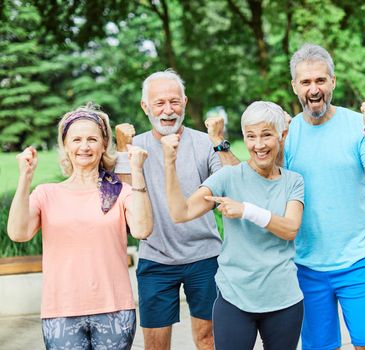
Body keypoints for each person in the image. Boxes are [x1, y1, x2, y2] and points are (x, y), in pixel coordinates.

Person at [7, 104, 153, 349]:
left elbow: (142, 229)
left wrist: (136, 171)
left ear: (104, 145)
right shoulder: (46, 193)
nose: (84, 146)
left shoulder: (119, 191)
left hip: (114, 309)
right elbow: (18, 232)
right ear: (65, 145)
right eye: (76, 139)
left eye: (92, 139)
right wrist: (25, 178)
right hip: (61, 311)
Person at [161, 101, 305, 350]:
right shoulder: (228, 176)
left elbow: (291, 229)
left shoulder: (293, 181)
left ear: (282, 136)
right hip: (235, 298)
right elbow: (180, 212)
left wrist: (246, 210)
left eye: (266, 135)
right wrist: (169, 164)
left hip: (283, 299)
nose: (258, 145)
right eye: (251, 136)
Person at [114, 69, 239, 350]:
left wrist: (219, 139)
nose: (168, 110)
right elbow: (124, 199)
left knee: (209, 339)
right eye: (159, 103)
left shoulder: (204, 142)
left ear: (184, 101)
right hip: (155, 259)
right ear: (145, 107)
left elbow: (235, 185)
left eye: (174, 101)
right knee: (156, 345)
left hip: (205, 257)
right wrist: (123, 150)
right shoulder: (136, 147)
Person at [285, 43, 365, 350]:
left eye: (320, 80)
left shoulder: (358, 126)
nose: (314, 89)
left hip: (356, 259)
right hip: (307, 265)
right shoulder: (288, 133)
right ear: (295, 86)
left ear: (333, 81)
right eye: (306, 82)